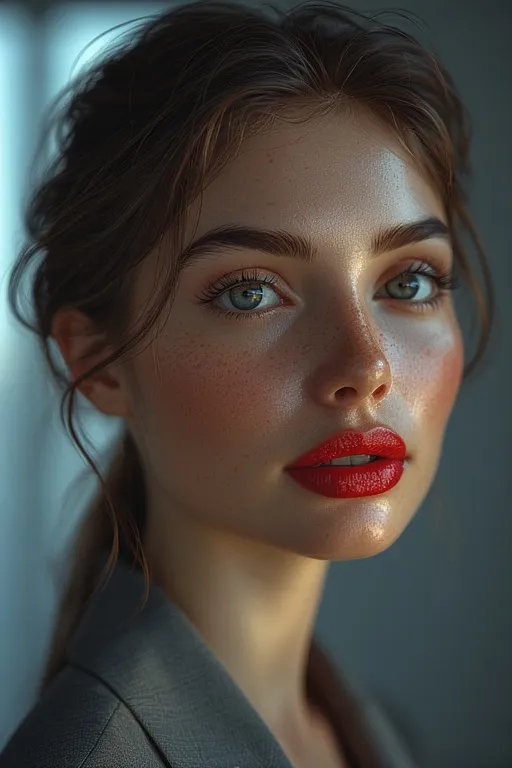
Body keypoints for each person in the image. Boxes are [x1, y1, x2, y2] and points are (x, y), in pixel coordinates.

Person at [0, 1, 493, 766]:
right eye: (250, 292)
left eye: (409, 282)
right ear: (96, 360)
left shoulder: (369, 734)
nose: (365, 367)